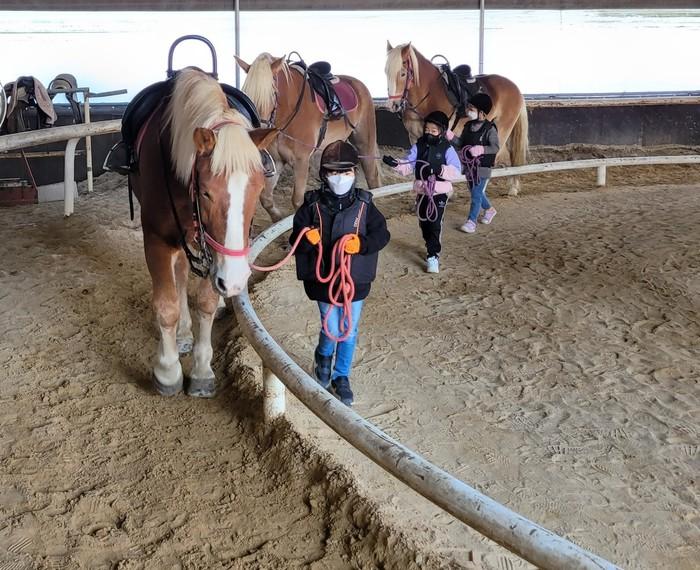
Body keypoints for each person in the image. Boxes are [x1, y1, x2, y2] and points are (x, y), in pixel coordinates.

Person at [289, 140, 390, 407]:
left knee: (349, 329)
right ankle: (323, 356)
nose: (340, 177)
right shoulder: (311, 205)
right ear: (324, 174)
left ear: (354, 172)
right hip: (323, 281)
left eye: (345, 172)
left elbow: (382, 235)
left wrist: (362, 244)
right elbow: (293, 239)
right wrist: (305, 237)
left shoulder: (365, 205)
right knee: (332, 327)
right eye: (334, 172)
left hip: (354, 281)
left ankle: (341, 376)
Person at [382, 110, 461, 274]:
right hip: (422, 190)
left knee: (435, 222)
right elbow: (408, 165)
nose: (429, 133)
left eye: (434, 131)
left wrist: (440, 170)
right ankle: (428, 242)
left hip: (438, 192)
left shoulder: (447, 149)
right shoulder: (418, 146)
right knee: (424, 222)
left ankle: (433, 255)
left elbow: (456, 171)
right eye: (427, 130)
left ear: (441, 132)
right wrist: (395, 164)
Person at [450, 93, 499, 234]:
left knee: (476, 194)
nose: (468, 111)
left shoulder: (490, 129)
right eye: (468, 107)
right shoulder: (468, 126)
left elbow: (495, 147)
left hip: (482, 167)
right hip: (469, 167)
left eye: (472, 108)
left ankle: (471, 221)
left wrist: (481, 149)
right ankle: (489, 209)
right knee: (474, 191)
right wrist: (451, 136)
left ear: (482, 112)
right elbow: (461, 143)